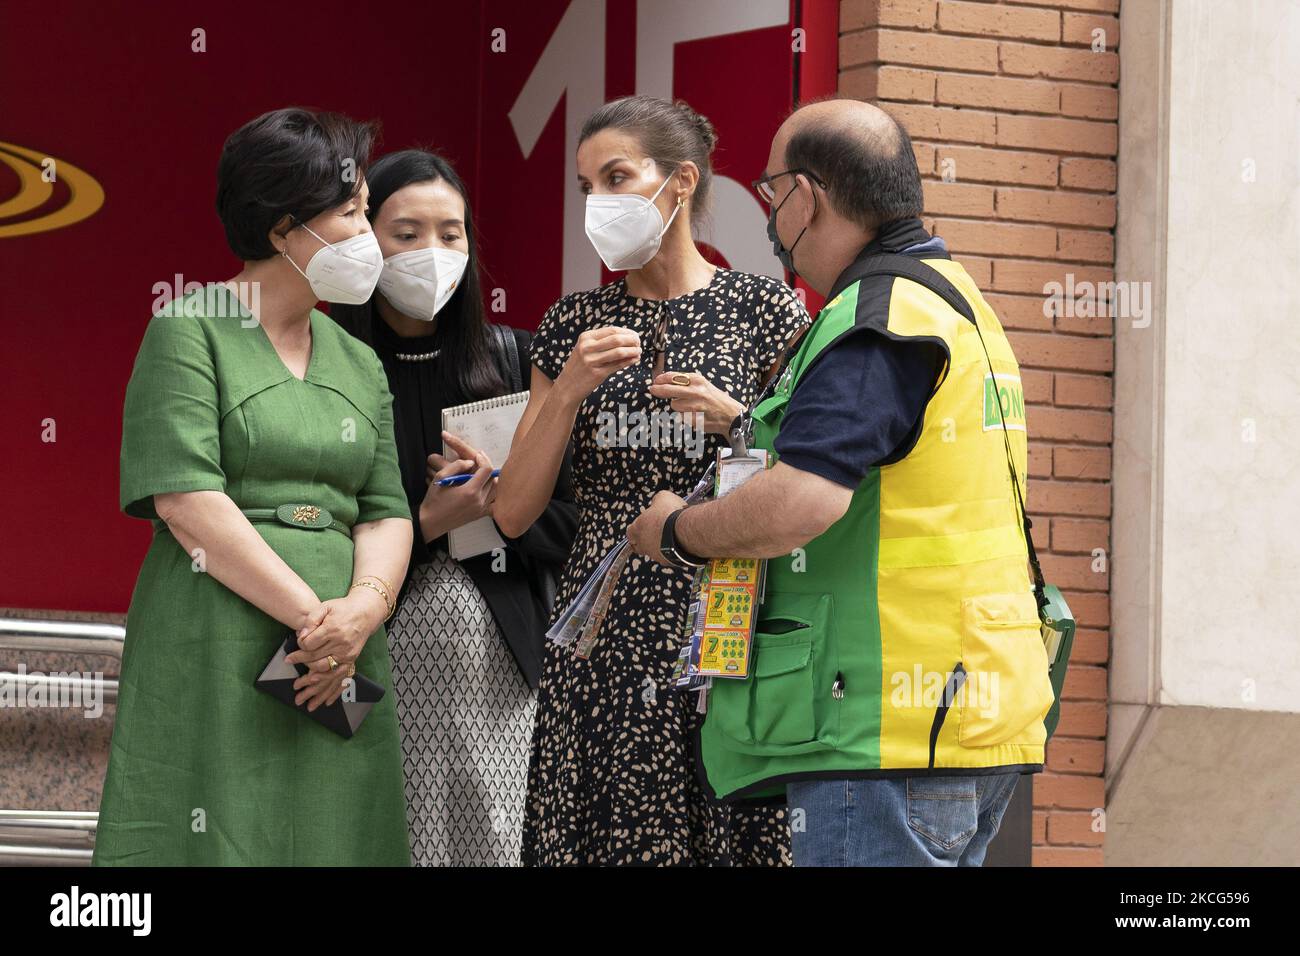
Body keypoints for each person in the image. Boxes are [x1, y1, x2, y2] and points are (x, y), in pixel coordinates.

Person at [627, 99, 1056, 867]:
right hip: (967, 717)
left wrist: (674, 531)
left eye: (770, 194)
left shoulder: (877, 314)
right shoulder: (959, 303)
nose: (770, 216)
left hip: (882, 729)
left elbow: (803, 500)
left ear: (806, 195)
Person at [94, 108, 414, 866]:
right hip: (220, 628)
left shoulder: (358, 359)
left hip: (343, 644)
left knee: (336, 831)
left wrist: (362, 613)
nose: (368, 236)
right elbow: (186, 499)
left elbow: (387, 509)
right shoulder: (189, 328)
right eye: (349, 214)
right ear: (282, 229)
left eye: (366, 213)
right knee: (211, 823)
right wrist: (318, 626)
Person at [496, 95, 809, 866]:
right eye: (586, 187)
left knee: (722, 830)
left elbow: (809, 476)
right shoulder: (576, 322)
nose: (598, 203)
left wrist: (737, 420)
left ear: (679, 184)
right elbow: (511, 511)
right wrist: (566, 390)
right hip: (599, 626)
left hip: (723, 614)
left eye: (616, 178)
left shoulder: (763, 309)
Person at [332, 148, 577, 866]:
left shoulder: (515, 360)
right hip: (362, 661)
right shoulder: (326, 363)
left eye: (451, 233)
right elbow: (304, 534)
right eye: (405, 233)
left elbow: (577, 524)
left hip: (500, 679)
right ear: (363, 237)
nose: (431, 253)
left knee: (492, 845)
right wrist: (429, 523)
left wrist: (503, 502)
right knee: (371, 841)